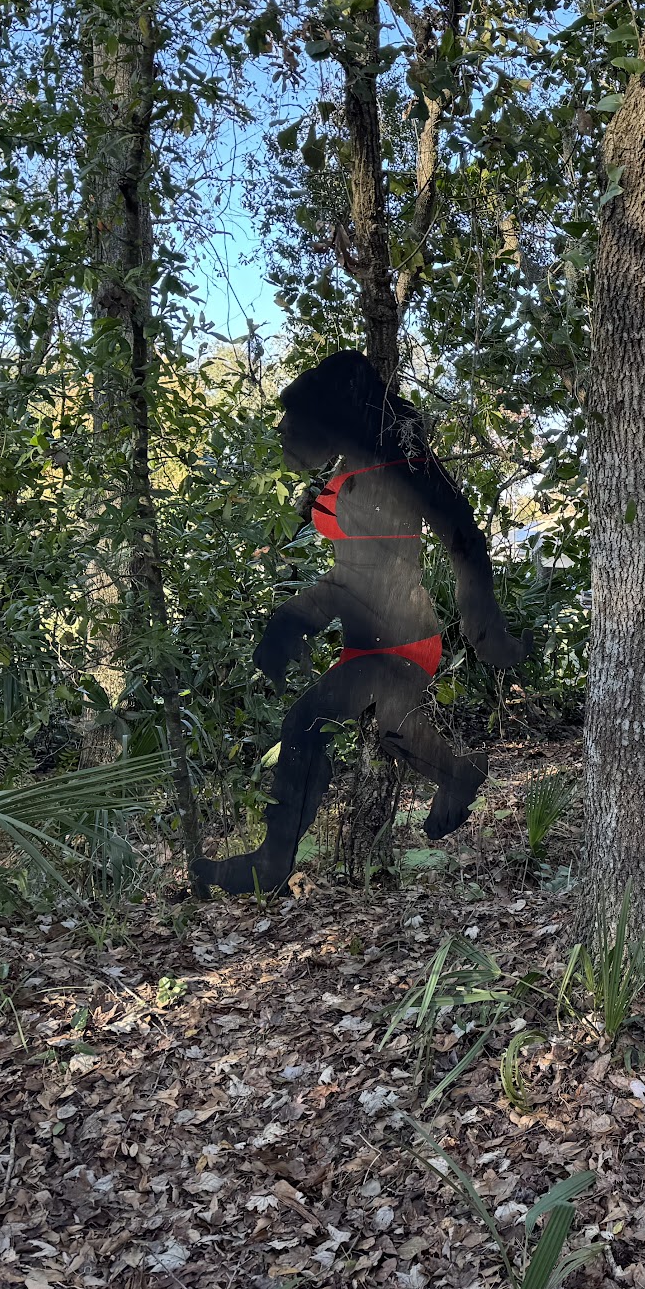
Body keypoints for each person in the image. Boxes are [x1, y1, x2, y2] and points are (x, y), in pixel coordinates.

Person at [194, 352, 527, 896]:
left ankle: (272, 863)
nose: (284, 432)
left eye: (295, 421)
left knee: (306, 722)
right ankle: (459, 772)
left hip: (401, 636)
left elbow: (462, 538)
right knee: (390, 730)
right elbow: (349, 568)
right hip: (367, 637)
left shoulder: (399, 466)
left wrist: (486, 631)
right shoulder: (354, 466)